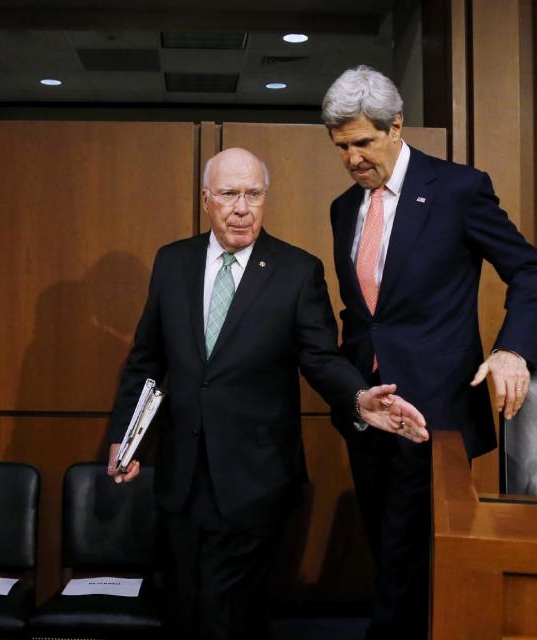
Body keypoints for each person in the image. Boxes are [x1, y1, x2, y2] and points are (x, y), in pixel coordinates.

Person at [106, 148, 430, 640]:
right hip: (182, 476)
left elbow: (320, 358)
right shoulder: (173, 262)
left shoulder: (297, 271)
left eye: (254, 195)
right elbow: (146, 363)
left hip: (255, 478)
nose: (242, 208)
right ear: (206, 200)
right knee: (186, 605)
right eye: (230, 195)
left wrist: (359, 398)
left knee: (223, 610)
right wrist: (127, 440)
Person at [321, 65, 537, 639]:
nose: (352, 159)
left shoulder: (457, 189)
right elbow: (363, 316)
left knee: (410, 564)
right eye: (341, 147)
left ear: (395, 127)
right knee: (389, 555)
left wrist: (512, 351)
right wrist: (351, 395)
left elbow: (529, 271)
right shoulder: (343, 208)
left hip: (437, 415)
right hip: (370, 413)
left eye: (363, 142)